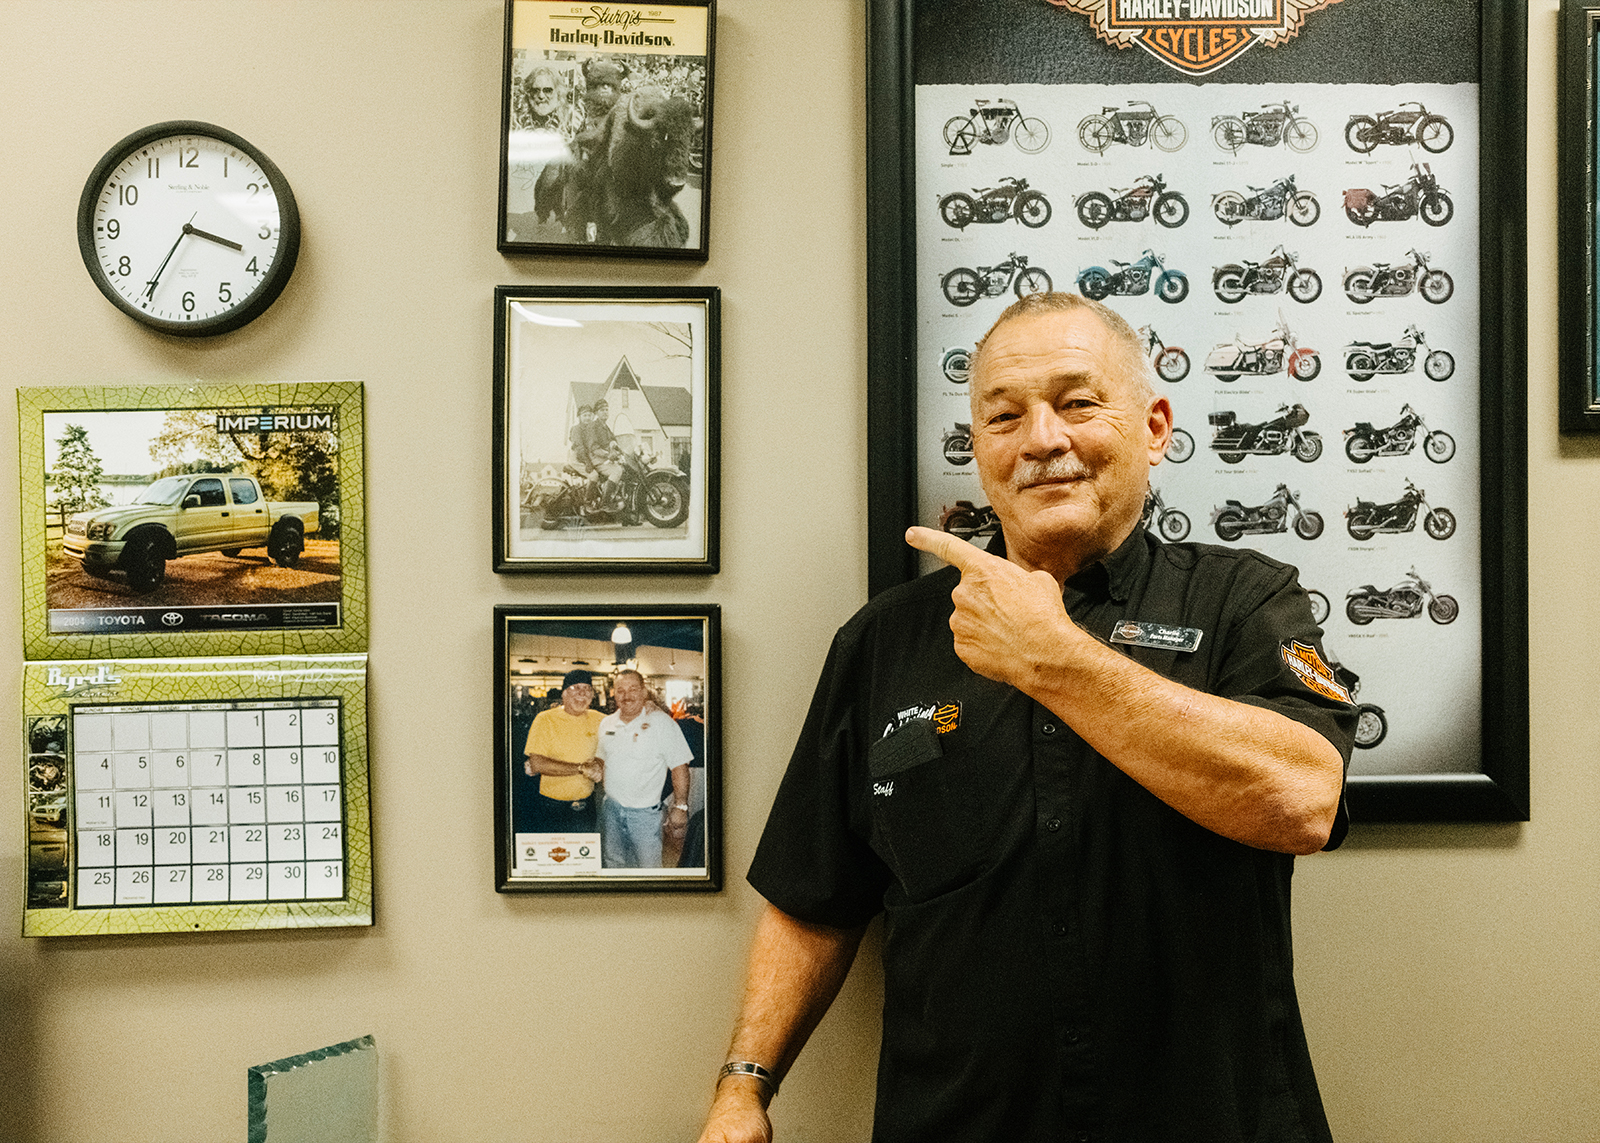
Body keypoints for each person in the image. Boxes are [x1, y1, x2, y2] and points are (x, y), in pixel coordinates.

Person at [696, 293, 1355, 1143]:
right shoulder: (884, 639)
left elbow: (1305, 797)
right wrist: (744, 1085)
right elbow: (813, 896)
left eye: (1078, 403)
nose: (1043, 439)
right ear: (980, 452)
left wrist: (1058, 658)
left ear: (1154, 425)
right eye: (1005, 417)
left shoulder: (1245, 597)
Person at [594, 669, 692, 868]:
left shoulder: (662, 723)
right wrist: (594, 766)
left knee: (648, 868)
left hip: (645, 815)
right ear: (614, 693)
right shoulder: (606, 723)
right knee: (614, 863)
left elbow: (679, 766)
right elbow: (601, 758)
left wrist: (680, 806)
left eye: (633, 689)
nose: (626, 696)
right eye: (620, 690)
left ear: (643, 692)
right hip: (611, 808)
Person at [520, 669, 605, 836]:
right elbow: (537, 764)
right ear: (564, 693)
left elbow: (627, 717)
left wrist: (649, 705)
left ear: (592, 696)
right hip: (551, 807)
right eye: (575, 687)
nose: (582, 693)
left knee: (584, 858)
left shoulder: (600, 719)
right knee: (552, 857)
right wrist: (581, 768)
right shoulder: (545, 719)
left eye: (587, 688)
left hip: (586, 806)